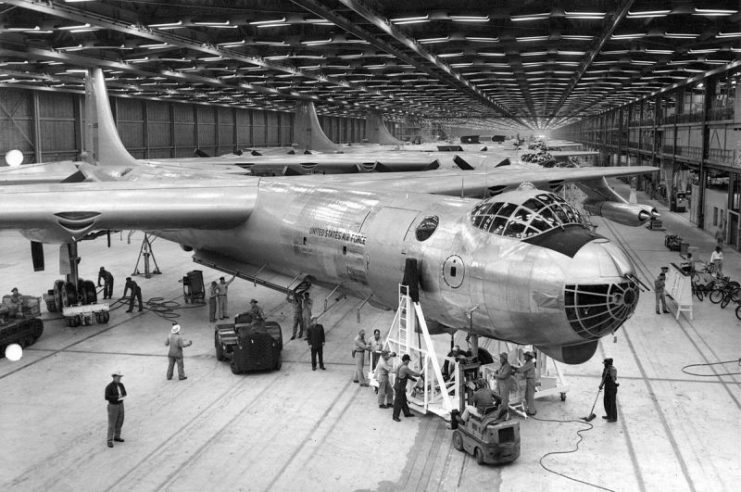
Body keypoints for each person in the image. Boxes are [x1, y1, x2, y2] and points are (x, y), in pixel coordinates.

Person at [392, 354, 422, 422]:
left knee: (403, 400)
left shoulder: (400, 365)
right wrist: (420, 374)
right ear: (406, 360)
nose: (408, 362)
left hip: (398, 385)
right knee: (398, 402)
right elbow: (413, 373)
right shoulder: (405, 367)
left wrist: (411, 378)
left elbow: (404, 374)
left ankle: (407, 413)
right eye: (408, 360)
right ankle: (395, 416)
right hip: (400, 387)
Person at [104, 370, 127, 448]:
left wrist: (122, 396)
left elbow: (124, 393)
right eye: (117, 377)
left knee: (120, 420)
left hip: (121, 404)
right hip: (113, 406)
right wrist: (117, 397)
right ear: (113, 377)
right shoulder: (109, 387)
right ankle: (109, 440)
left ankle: (117, 436)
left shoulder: (121, 385)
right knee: (112, 423)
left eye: (120, 377)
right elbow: (106, 397)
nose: (119, 378)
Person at [494, 352, 515, 417]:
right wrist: (496, 371)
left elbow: (503, 376)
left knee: (504, 401)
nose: (500, 359)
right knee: (500, 399)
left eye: (501, 358)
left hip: (505, 386)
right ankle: (501, 413)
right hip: (500, 386)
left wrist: (495, 375)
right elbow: (499, 371)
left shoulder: (507, 366)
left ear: (505, 359)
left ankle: (505, 415)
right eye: (500, 358)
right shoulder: (502, 365)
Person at [516, 351, 537, 416]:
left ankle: (532, 411)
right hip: (528, 380)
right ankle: (530, 409)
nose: (524, 356)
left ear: (528, 357)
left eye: (525, 356)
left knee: (530, 396)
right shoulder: (527, 363)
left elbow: (521, 370)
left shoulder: (530, 363)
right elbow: (523, 372)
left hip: (531, 380)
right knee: (527, 396)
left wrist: (514, 369)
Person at [599, 358, 619, 422]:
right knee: (606, 401)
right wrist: (601, 385)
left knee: (612, 403)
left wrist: (615, 382)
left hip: (612, 388)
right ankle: (609, 415)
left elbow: (614, 379)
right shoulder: (605, 369)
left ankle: (613, 418)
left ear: (608, 363)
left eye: (605, 363)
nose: (604, 364)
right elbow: (603, 378)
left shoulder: (613, 369)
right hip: (607, 387)